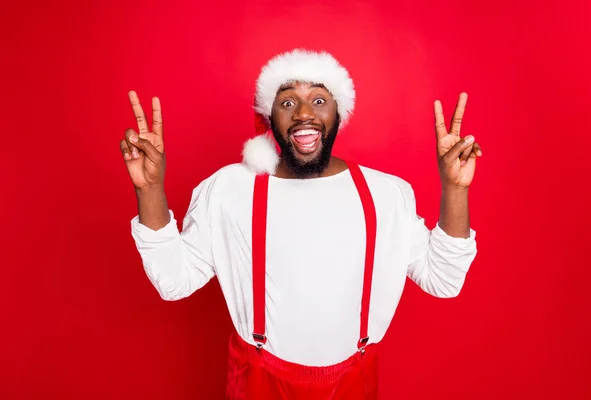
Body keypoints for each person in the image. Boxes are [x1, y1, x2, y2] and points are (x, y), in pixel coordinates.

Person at [120, 49, 481, 399]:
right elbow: (174, 282)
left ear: (340, 113)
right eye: (288, 102)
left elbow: (443, 280)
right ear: (269, 116)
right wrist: (150, 189)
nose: (304, 113)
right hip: (258, 381)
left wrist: (455, 189)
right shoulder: (229, 188)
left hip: (353, 382)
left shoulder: (386, 193)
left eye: (320, 101)